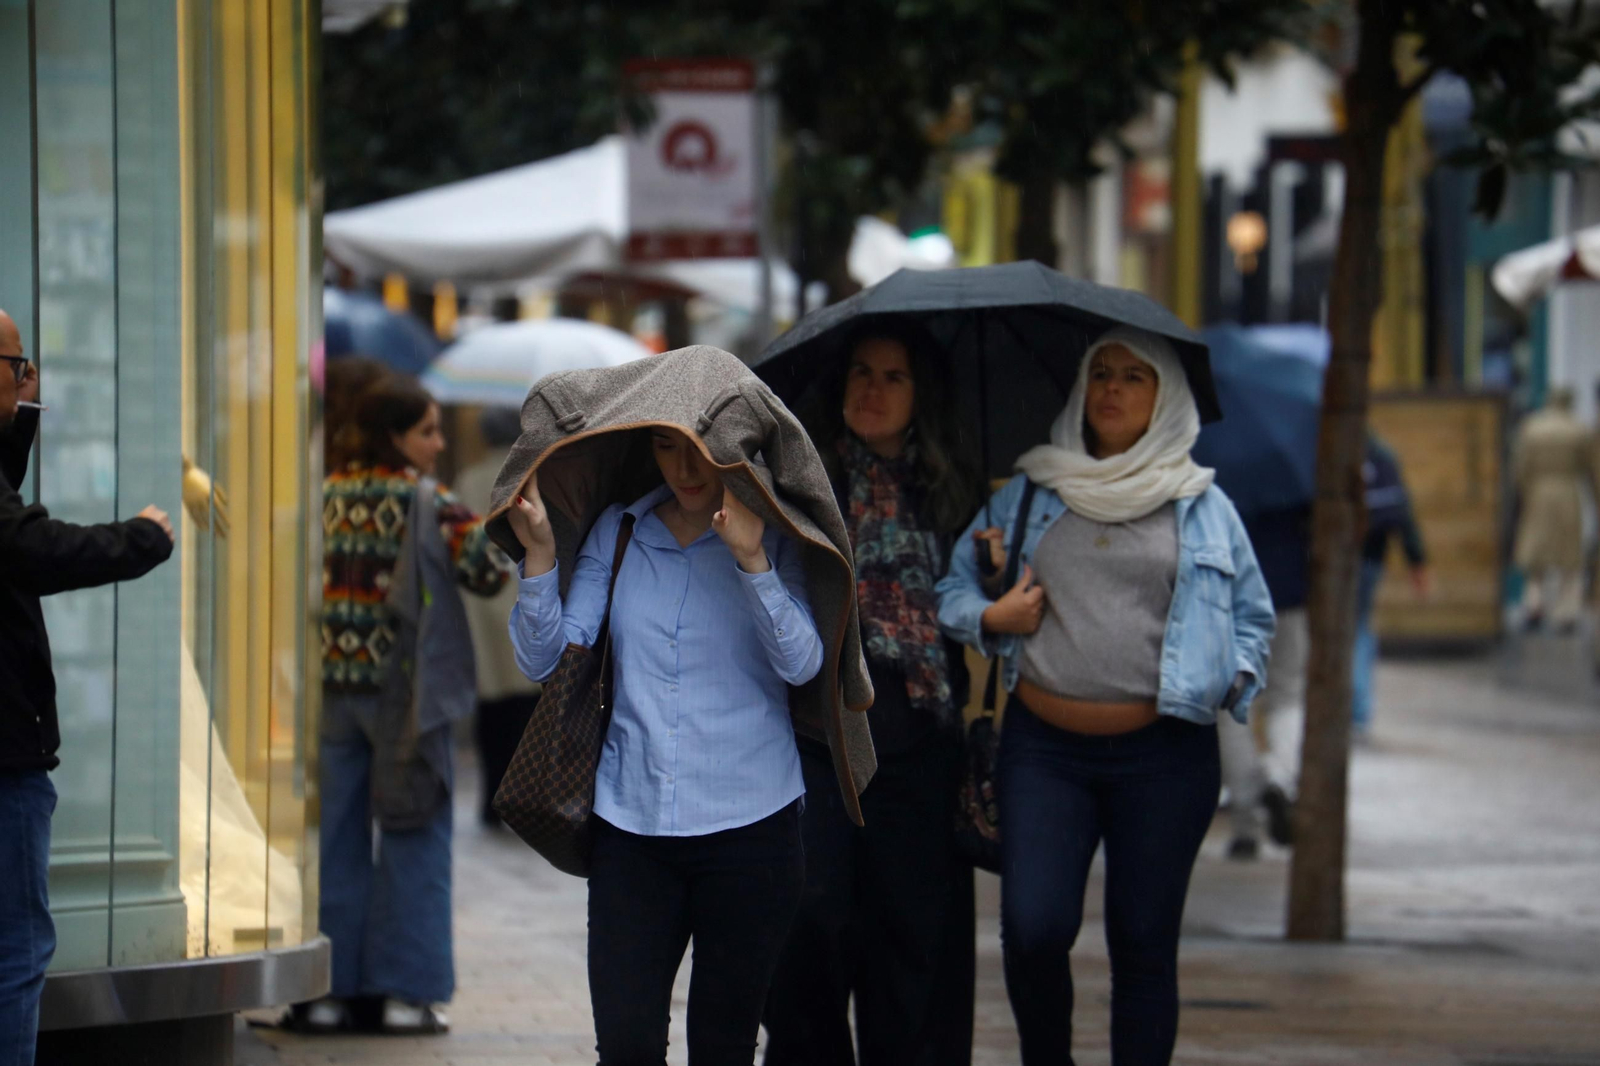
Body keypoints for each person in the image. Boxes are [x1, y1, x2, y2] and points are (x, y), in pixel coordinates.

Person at [936, 325, 1274, 1066]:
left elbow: (1254, 618)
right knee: (1033, 926)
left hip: (1167, 757)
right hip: (1045, 750)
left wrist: (1236, 675)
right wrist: (991, 614)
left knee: (1144, 943)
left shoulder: (1202, 505)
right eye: (1102, 374)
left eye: (1134, 376)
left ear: (1165, 399)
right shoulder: (1030, 495)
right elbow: (953, 588)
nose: (1113, 389)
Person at [506, 425, 823, 1066]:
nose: (684, 466)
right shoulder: (619, 530)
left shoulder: (773, 533)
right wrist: (540, 558)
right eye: (666, 447)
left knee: (722, 1046)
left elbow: (804, 664)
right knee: (625, 1046)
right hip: (632, 825)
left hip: (752, 826)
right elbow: (548, 662)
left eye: (699, 448)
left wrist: (752, 562)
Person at [763, 323, 981, 1066]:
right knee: (810, 925)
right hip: (816, 742)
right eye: (861, 372)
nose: (873, 391)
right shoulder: (801, 489)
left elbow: (973, 614)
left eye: (894, 377)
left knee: (914, 942)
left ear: (922, 397)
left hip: (920, 752)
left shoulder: (953, 500)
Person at [0, 308, 176, 1066]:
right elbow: (31, 547)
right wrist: (143, 537)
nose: (22, 373)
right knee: (16, 949)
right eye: (14, 364)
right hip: (4, 757)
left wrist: (23, 411)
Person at [309, 374, 507, 1035]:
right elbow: (487, 570)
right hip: (405, 699)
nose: (438, 441)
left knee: (333, 841)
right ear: (394, 437)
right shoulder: (428, 500)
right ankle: (404, 992)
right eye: (426, 430)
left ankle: (327, 991)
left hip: (331, 692)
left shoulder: (324, 495)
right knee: (415, 835)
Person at [454, 405, 541, 826]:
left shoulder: (467, 480)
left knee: (490, 712)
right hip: (522, 597)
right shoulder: (527, 476)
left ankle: (490, 799)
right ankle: (522, 798)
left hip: (479, 603)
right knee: (527, 709)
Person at [1218, 503, 1309, 859]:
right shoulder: (1296, 469)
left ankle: (1245, 817)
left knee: (1233, 707)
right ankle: (1279, 776)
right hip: (1288, 590)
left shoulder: (1211, 470)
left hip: (1230, 598)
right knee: (1287, 696)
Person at [1354, 433, 1429, 739]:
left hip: (1333, 558)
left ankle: (1354, 708)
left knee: (1345, 630)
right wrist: (1417, 562)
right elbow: (1402, 513)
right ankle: (1358, 711)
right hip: (1372, 556)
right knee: (1359, 629)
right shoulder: (1381, 452)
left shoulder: (1316, 443)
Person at [1510, 386, 1593, 632]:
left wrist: (1523, 493)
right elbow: (1591, 469)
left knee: (1535, 554)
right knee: (1570, 556)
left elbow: (1520, 467)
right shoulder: (1579, 430)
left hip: (1539, 492)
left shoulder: (1532, 427)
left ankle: (1534, 603)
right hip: (1568, 492)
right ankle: (1567, 610)